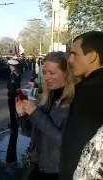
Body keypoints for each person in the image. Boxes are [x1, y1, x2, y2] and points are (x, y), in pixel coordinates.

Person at [16, 51, 76, 180]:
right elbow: (29, 133)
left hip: (55, 171)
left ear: (67, 74)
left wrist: (35, 113)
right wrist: (22, 116)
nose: (46, 77)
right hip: (36, 165)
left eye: (52, 73)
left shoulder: (74, 102)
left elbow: (64, 140)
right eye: (44, 72)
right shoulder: (47, 98)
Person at [60, 31, 103, 180]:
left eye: (74, 54)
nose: (70, 59)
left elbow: (75, 145)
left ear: (92, 56)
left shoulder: (91, 90)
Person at [6, 59, 21, 165]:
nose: (9, 67)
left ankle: (14, 125)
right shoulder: (14, 74)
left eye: (10, 65)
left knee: (13, 111)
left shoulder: (14, 75)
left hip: (12, 96)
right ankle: (13, 124)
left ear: (13, 66)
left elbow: (12, 87)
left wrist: (13, 95)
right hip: (12, 95)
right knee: (12, 111)